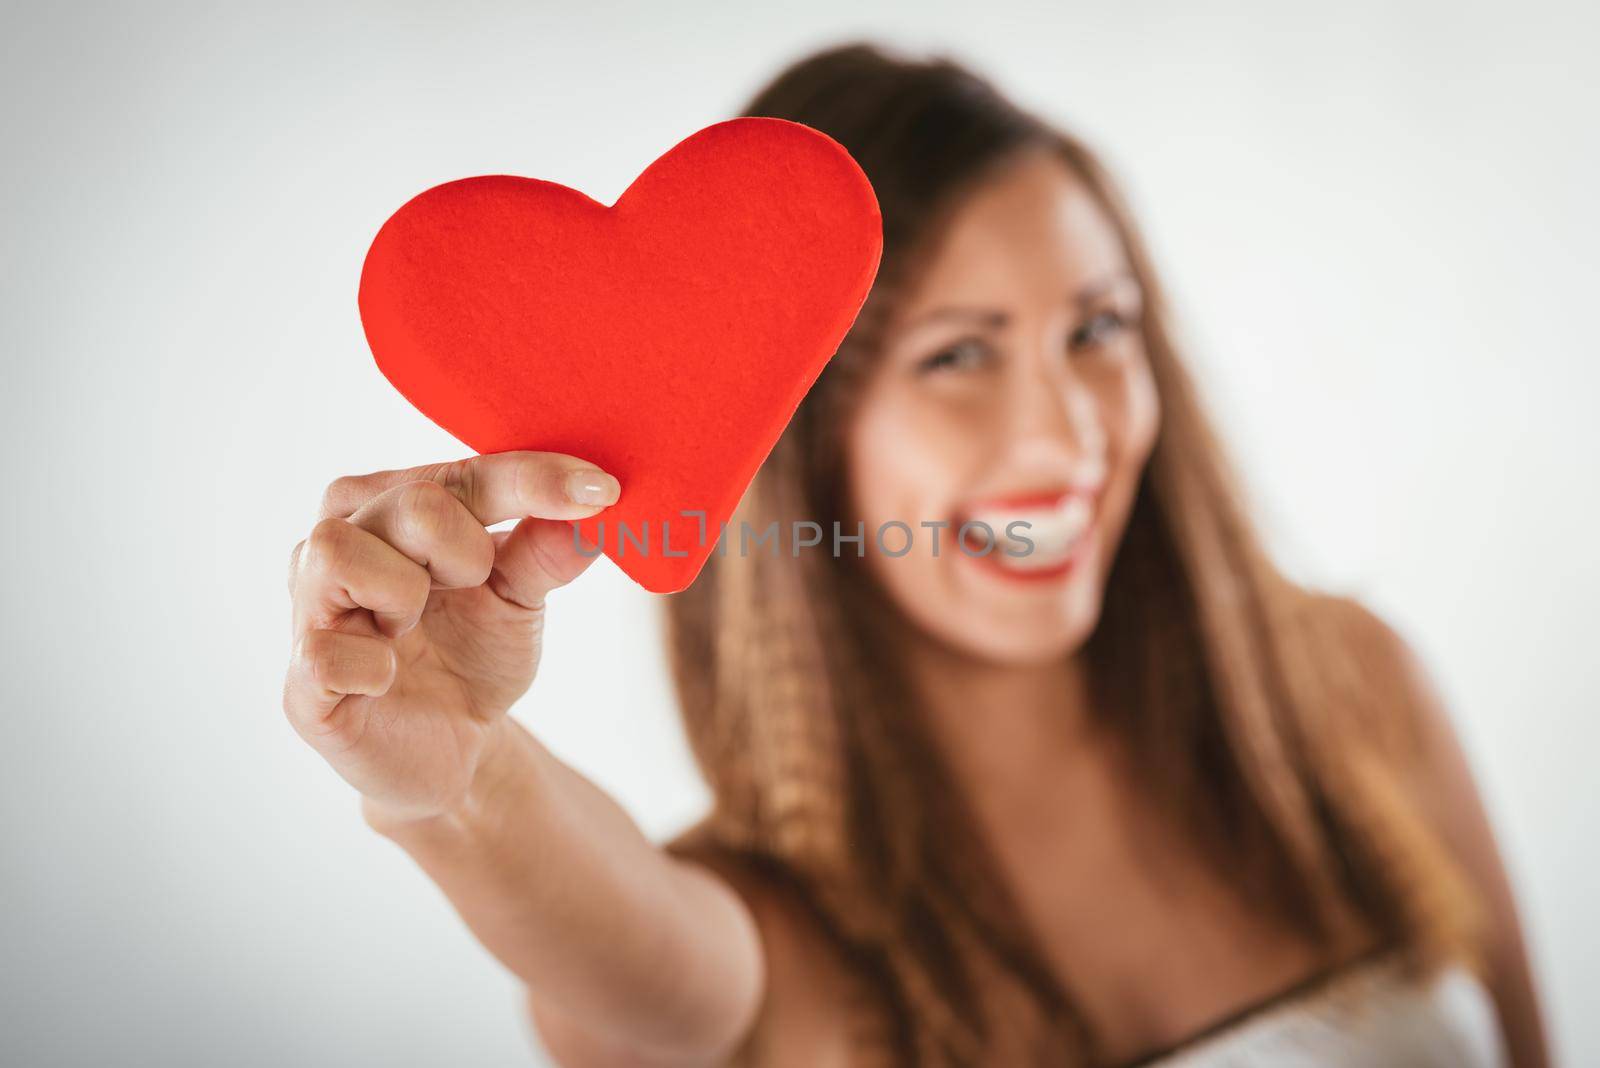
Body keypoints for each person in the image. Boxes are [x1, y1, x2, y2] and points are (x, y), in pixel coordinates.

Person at [282, 42, 1550, 1067]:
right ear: (797, 437)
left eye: (1097, 329)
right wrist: (458, 781)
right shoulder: (768, 934)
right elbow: (640, 964)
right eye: (958, 354)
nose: (1070, 434)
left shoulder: (1350, 686)